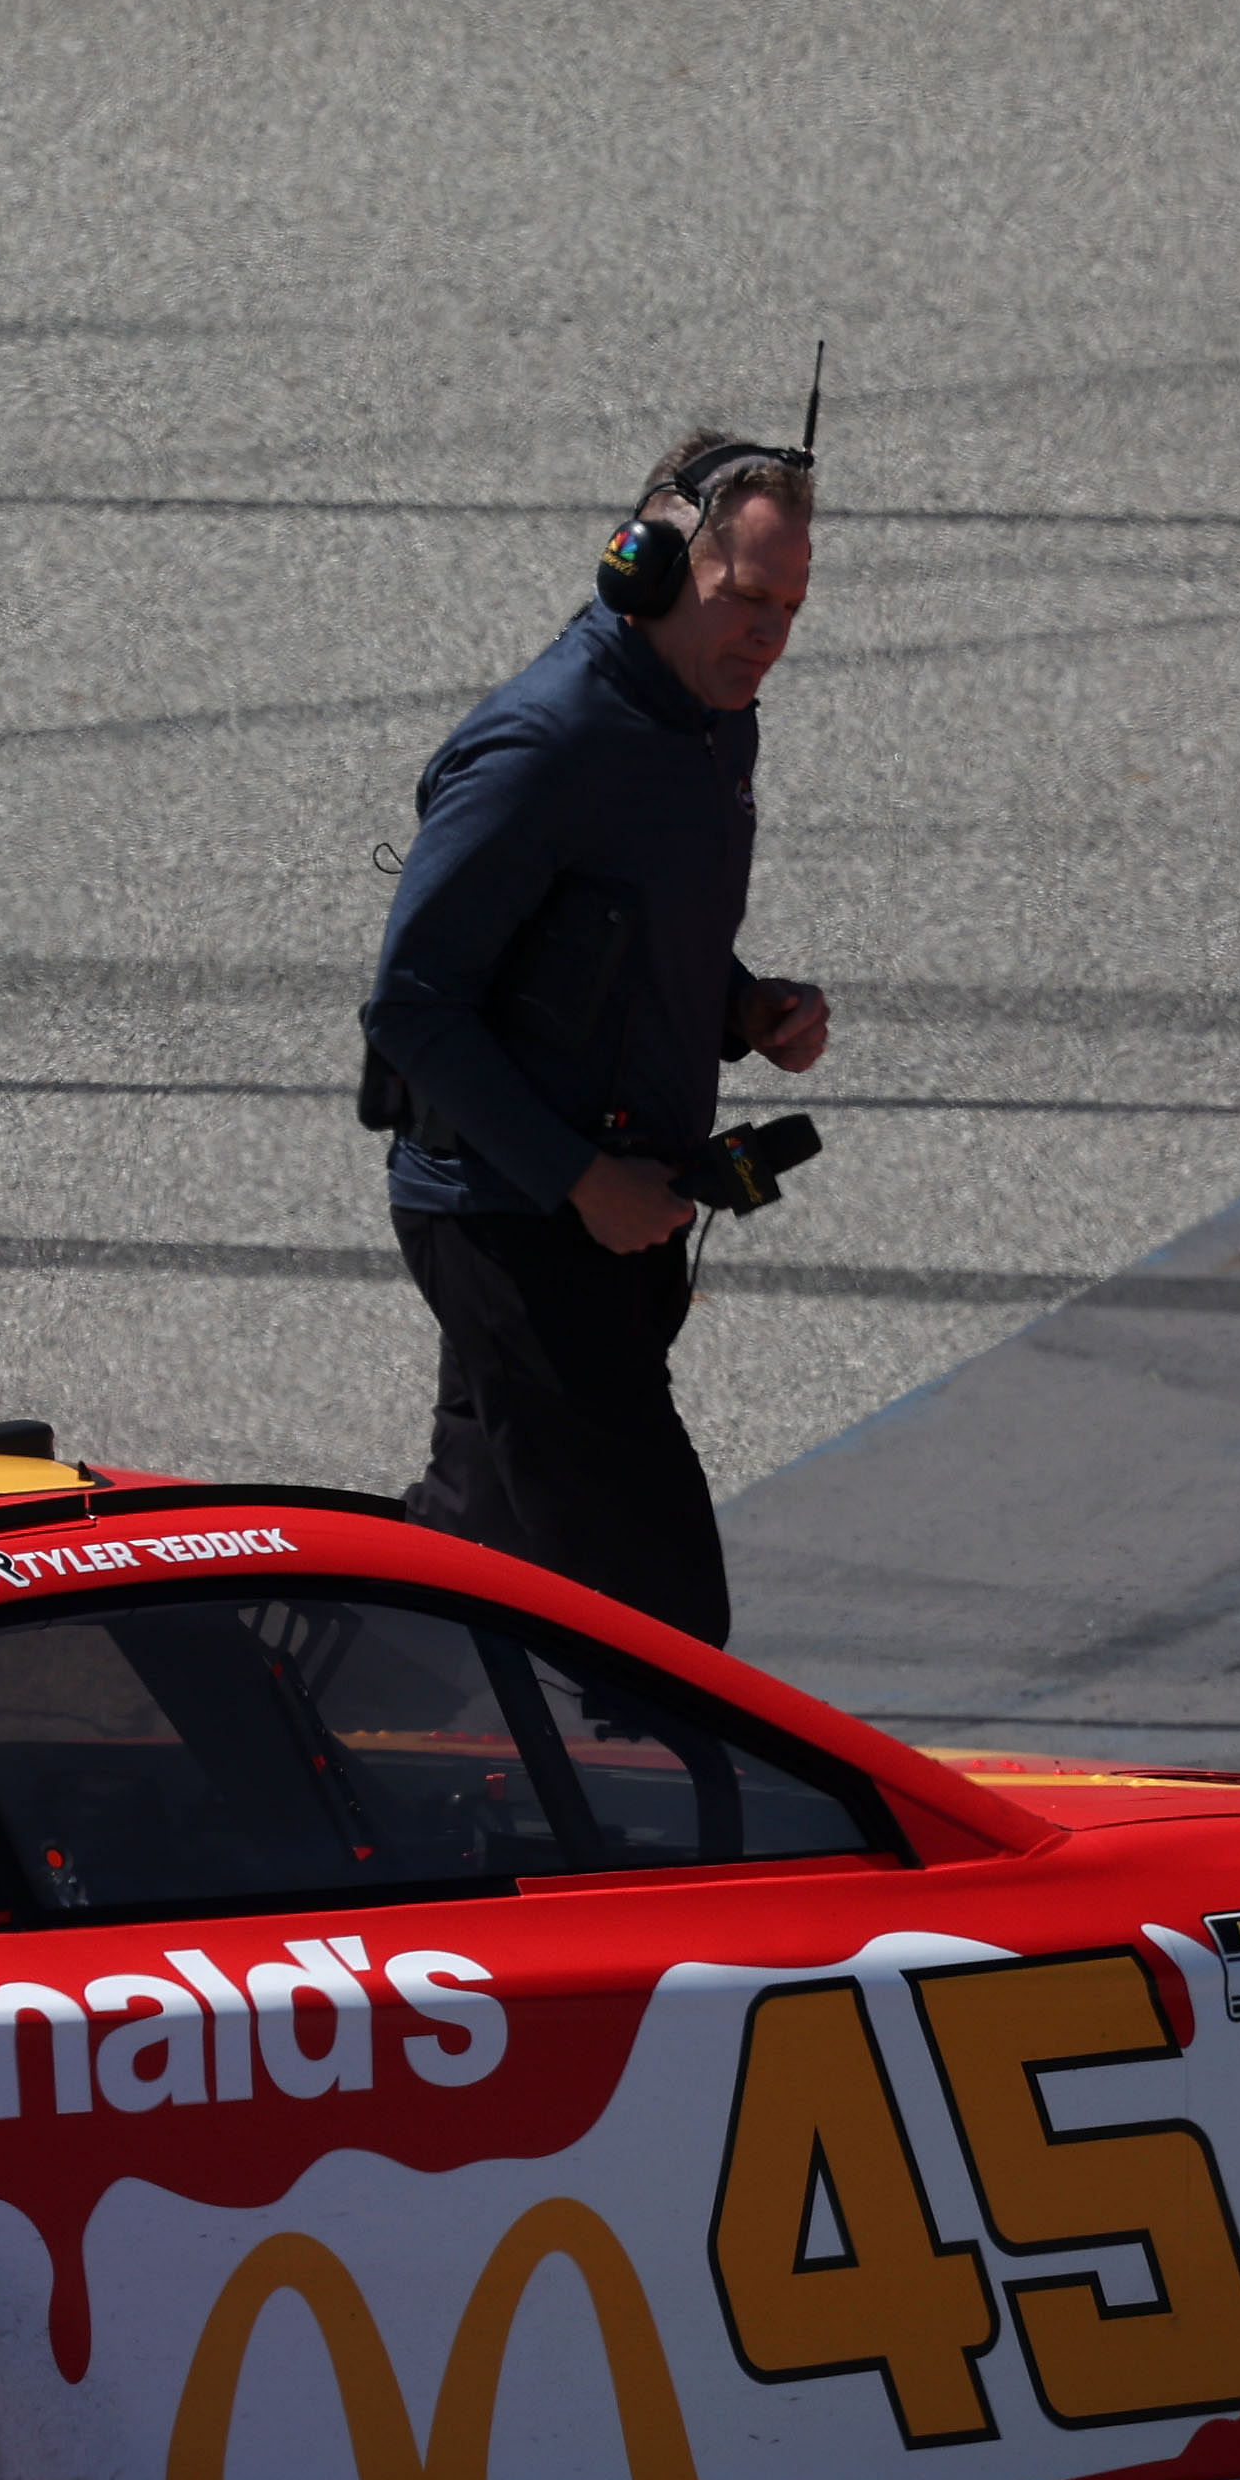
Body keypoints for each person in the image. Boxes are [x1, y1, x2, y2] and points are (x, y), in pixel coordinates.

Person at [358, 427, 835, 1648]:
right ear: (651, 569)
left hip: (617, 1207)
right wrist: (581, 1179)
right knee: (659, 1618)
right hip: (515, 1219)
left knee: (476, 1556)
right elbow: (411, 1004)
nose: (769, 634)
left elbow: (613, 928)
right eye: (745, 598)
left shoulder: (718, 725)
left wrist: (741, 1006)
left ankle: (366, 1735)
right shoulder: (542, 746)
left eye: (790, 604)